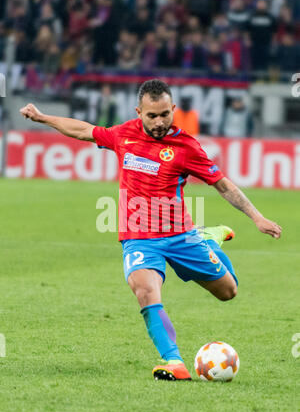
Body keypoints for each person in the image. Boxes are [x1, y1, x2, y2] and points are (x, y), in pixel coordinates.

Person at [20, 80, 282, 381]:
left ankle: (209, 239)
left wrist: (257, 218)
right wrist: (43, 118)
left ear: (173, 110)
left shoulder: (187, 147)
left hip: (180, 235)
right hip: (139, 238)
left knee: (228, 292)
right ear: (139, 112)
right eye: (151, 116)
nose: (159, 122)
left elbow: (222, 184)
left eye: (164, 115)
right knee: (145, 290)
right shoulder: (123, 134)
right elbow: (83, 130)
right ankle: (174, 362)